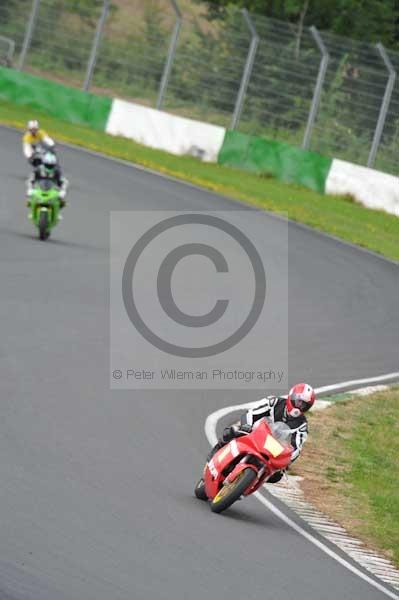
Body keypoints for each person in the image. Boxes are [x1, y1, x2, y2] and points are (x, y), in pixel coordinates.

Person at [208, 383, 315, 484]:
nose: (299, 407)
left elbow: (297, 448)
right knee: (232, 431)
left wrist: (286, 461)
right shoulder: (274, 402)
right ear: (291, 397)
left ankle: (248, 485)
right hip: (255, 433)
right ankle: (215, 454)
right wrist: (247, 425)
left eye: (304, 405)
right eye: (298, 402)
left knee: (277, 476)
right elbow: (252, 413)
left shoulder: (302, 425)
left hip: (274, 449)